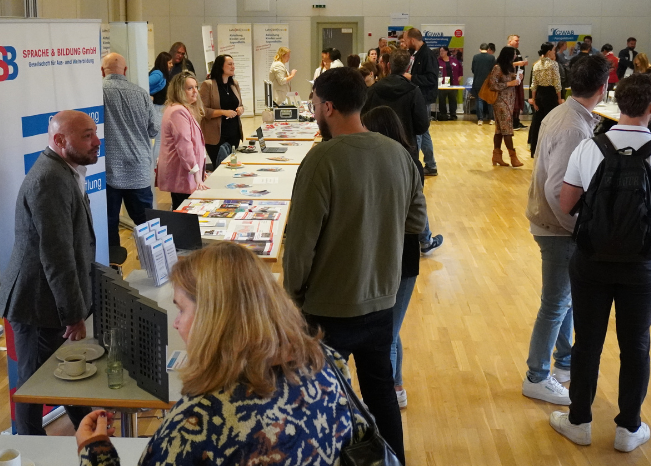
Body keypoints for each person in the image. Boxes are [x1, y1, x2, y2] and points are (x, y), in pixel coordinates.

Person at [76, 242, 367, 464]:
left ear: (214, 319)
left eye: (181, 309)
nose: (176, 323)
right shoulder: (325, 361)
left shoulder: (196, 427)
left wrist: (96, 450)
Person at [283, 67, 427, 465]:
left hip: (327, 307)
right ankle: (394, 458)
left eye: (313, 104)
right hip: (381, 301)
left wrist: (292, 298)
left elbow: (300, 244)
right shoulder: (398, 154)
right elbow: (415, 223)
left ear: (326, 107)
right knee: (380, 390)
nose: (313, 110)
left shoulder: (321, 160)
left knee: (315, 395)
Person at [552, 72, 651, 453]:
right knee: (636, 344)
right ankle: (629, 428)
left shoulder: (589, 148)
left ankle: (579, 421)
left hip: (591, 260)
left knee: (587, 342)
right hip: (641, 266)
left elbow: (567, 204)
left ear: (616, 100)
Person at [0, 110, 98, 435]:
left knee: (60, 374)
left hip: (47, 300)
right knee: (34, 386)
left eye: (94, 133)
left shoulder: (63, 170)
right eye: (86, 136)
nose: (96, 141)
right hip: (36, 304)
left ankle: (89, 429)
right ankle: (31, 451)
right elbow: (57, 257)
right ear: (60, 140)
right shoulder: (49, 180)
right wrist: (73, 315)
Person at [523, 54, 609, 405]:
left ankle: (564, 363)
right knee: (556, 303)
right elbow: (558, 190)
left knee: (566, 300)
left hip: (553, 224)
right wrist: (580, 230)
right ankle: (536, 376)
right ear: (603, 88)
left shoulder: (564, 113)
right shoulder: (572, 125)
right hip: (558, 228)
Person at [361, 106, 423, 409]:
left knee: (388, 330)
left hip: (396, 259)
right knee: (390, 326)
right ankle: (395, 385)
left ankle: (389, 392)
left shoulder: (397, 165)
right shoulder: (407, 161)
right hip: (399, 259)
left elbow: (416, 221)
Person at [102, 52, 160, 248]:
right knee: (147, 224)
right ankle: (157, 266)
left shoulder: (98, 93)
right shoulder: (142, 93)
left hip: (109, 171)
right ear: (125, 71)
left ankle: (113, 270)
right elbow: (154, 129)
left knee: (109, 224)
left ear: (102, 71)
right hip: (138, 169)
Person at [363, 48, 430, 175]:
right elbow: (422, 126)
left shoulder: (373, 90)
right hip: (406, 150)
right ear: (408, 67)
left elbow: (362, 119)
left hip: (376, 150)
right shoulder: (414, 91)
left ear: (388, 65)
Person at [157, 71, 208, 209]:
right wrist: (196, 174)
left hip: (186, 172)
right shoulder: (178, 111)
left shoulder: (180, 109)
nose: (195, 91)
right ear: (179, 90)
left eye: (196, 87)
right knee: (184, 212)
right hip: (183, 174)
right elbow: (184, 146)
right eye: (189, 88)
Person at [403, 28, 440, 178]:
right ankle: (430, 165)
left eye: (406, 41)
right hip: (418, 97)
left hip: (423, 98)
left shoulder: (427, 55)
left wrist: (411, 78)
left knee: (418, 132)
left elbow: (431, 79)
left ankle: (415, 166)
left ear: (412, 40)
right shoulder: (416, 54)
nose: (405, 44)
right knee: (423, 132)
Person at [199, 54, 244, 168]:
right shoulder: (208, 85)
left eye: (233, 64)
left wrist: (240, 109)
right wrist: (223, 112)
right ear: (220, 66)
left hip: (234, 133)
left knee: (233, 166)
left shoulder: (235, 84)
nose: (233, 67)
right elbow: (202, 110)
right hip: (216, 136)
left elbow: (241, 104)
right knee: (219, 167)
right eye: (230, 64)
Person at [488, 46, 523, 168]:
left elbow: (509, 80)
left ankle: (496, 155)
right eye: (513, 54)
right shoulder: (497, 68)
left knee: (499, 130)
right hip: (501, 102)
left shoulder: (509, 67)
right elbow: (492, 85)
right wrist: (510, 83)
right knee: (507, 129)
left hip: (509, 101)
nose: (515, 56)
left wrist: (517, 79)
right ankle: (513, 157)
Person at [528, 42, 563, 155]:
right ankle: (549, 150)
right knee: (551, 122)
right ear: (549, 52)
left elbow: (534, 84)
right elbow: (557, 83)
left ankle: (534, 149)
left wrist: (533, 99)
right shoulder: (553, 64)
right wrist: (559, 98)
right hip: (550, 94)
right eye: (553, 50)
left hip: (539, 94)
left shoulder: (536, 65)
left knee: (538, 122)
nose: (554, 52)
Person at [149, 51, 172, 177]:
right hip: (157, 109)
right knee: (159, 140)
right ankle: (156, 169)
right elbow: (143, 84)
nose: (171, 65)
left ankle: (157, 168)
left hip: (160, 108)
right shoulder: (158, 74)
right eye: (169, 63)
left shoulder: (160, 74)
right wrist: (149, 96)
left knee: (160, 140)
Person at [506, 34, 529, 131]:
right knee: (513, 102)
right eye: (516, 40)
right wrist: (518, 63)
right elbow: (504, 65)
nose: (518, 42)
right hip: (511, 81)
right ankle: (510, 123)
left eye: (518, 40)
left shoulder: (517, 51)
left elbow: (519, 65)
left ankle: (516, 121)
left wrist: (522, 68)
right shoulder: (506, 51)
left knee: (518, 101)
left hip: (518, 80)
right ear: (510, 41)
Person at [472, 42, 497, 125]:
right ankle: (491, 119)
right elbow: (494, 70)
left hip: (477, 81)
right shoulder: (492, 58)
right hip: (488, 82)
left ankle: (480, 119)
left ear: (480, 49)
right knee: (489, 100)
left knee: (479, 100)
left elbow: (473, 69)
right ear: (488, 49)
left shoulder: (475, 57)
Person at [437, 46, 463, 120]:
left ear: (446, 51)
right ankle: (443, 114)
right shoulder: (438, 61)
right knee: (442, 99)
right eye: (440, 51)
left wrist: (460, 76)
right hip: (442, 84)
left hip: (453, 83)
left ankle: (453, 114)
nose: (441, 53)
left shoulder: (454, 60)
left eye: (443, 51)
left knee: (453, 99)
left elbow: (460, 68)